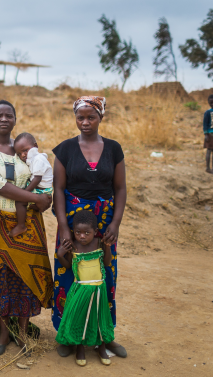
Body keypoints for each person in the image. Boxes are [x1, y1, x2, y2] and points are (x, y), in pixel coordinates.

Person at [0, 100, 54, 357]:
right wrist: (37, 199)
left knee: (26, 278)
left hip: (28, 224)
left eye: (9, 115)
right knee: (1, 278)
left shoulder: (25, 148)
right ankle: (4, 333)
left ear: (15, 120)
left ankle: (21, 331)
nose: (4, 119)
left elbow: (42, 174)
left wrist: (45, 197)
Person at [52, 96, 127, 359]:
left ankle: (104, 335)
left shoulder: (114, 149)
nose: (85, 122)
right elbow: (58, 189)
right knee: (68, 276)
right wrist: (63, 226)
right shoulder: (65, 150)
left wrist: (115, 223)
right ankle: (68, 335)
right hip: (73, 224)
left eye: (91, 117)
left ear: (101, 117)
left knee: (104, 276)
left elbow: (120, 188)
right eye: (80, 117)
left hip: (103, 222)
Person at [55, 210, 114, 367]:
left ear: (95, 232)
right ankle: (79, 349)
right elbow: (68, 266)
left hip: (99, 289)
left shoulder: (99, 243)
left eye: (87, 233)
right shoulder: (73, 247)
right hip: (81, 290)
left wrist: (108, 247)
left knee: (100, 319)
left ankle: (101, 348)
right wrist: (60, 255)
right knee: (80, 319)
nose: (82, 236)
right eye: (78, 232)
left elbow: (107, 263)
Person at [9, 132, 53, 238]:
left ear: (35, 146)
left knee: (20, 202)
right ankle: (36, 207)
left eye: (25, 150)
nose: (23, 155)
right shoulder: (33, 159)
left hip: (41, 190)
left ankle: (21, 225)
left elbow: (37, 179)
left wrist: (25, 193)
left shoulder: (38, 159)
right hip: (42, 189)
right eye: (19, 154)